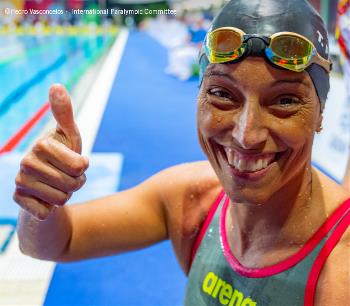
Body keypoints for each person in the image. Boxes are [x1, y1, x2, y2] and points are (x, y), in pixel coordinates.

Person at [13, 0, 350, 305]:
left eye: (285, 100)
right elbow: (56, 241)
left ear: (320, 113)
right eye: (222, 94)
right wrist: (41, 205)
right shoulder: (193, 199)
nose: (247, 135)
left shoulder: (340, 269)